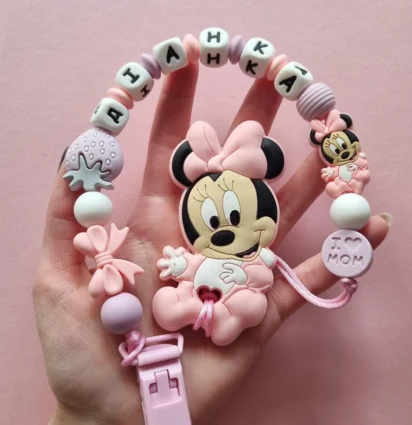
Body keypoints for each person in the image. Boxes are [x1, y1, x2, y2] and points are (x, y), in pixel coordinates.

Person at [33, 63, 391, 425]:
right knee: (165, 301)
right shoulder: (200, 254)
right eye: (213, 222)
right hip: (194, 291)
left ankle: (224, 321)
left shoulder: (257, 256)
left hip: (232, 301)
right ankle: (195, 314)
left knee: (253, 303)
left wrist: (248, 273)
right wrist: (178, 266)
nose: (223, 232)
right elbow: (189, 266)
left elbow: (262, 278)